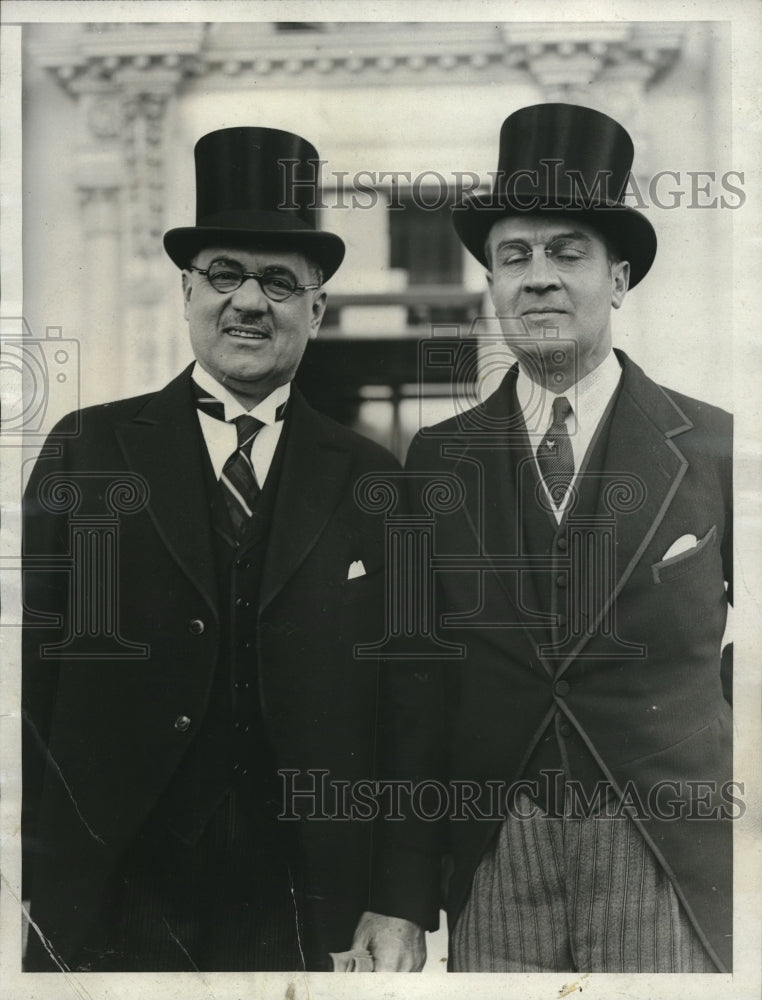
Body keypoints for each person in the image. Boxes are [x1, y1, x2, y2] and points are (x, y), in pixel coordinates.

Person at [358, 103, 733, 973]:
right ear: (490, 283)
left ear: (620, 279)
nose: (539, 279)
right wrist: (402, 897)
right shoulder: (437, 460)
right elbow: (415, 689)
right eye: (514, 256)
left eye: (568, 253)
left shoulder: (712, 445)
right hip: (497, 858)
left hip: (665, 857)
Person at [22, 126, 401, 972]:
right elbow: (31, 673)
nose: (249, 301)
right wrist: (31, 870)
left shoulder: (374, 476)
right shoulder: (87, 450)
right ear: (188, 292)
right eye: (225, 274)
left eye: (278, 280)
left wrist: (396, 897)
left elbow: (405, 703)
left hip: (300, 895)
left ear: (318, 308)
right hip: (114, 883)